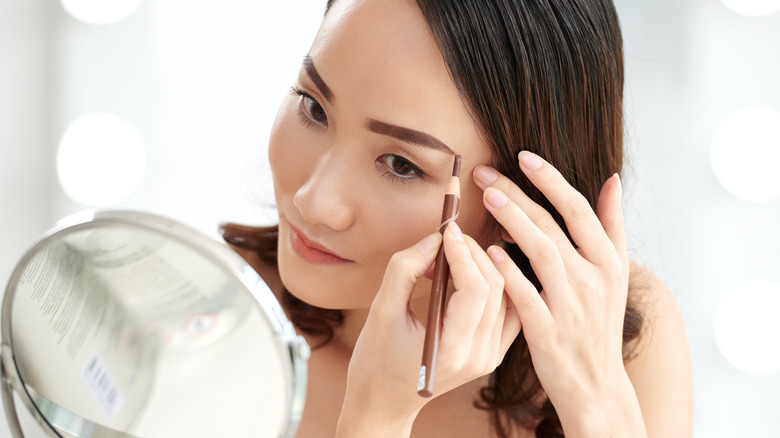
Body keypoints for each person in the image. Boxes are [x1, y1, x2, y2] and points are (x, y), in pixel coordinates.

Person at [222, 0, 693, 436]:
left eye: (402, 165)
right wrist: (376, 416)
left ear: (523, 204)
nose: (313, 200)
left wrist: (596, 401)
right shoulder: (214, 311)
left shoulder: (623, 346)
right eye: (314, 108)